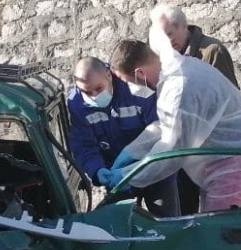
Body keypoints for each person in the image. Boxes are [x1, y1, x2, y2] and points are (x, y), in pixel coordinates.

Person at [106, 30, 241, 213]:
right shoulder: (180, 68)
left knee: (224, 235)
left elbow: (172, 152)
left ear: (140, 73)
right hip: (230, 164)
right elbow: (166, 126)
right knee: (218, 231)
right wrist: (131, 152)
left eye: (128, 81)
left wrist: (127, 177)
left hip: (238, 167)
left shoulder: (180, 87)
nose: (133, 88)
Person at [65, 56, 181, 217]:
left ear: (108, 74)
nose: (93, 96)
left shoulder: (139, 89)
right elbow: (84, 146)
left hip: (156, 174)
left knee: (168, 226)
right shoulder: (78, 105)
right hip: (116, 177)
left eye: (98, 89)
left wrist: (136, 167)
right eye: (87, 92)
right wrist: (98, 171)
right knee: (117, 229)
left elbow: (163, 133)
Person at [150, 3, 238, 88]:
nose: (166, 41)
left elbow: (230, 97)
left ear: (184, 26)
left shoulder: (212, 52)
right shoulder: (165, 57)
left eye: (169, 34)